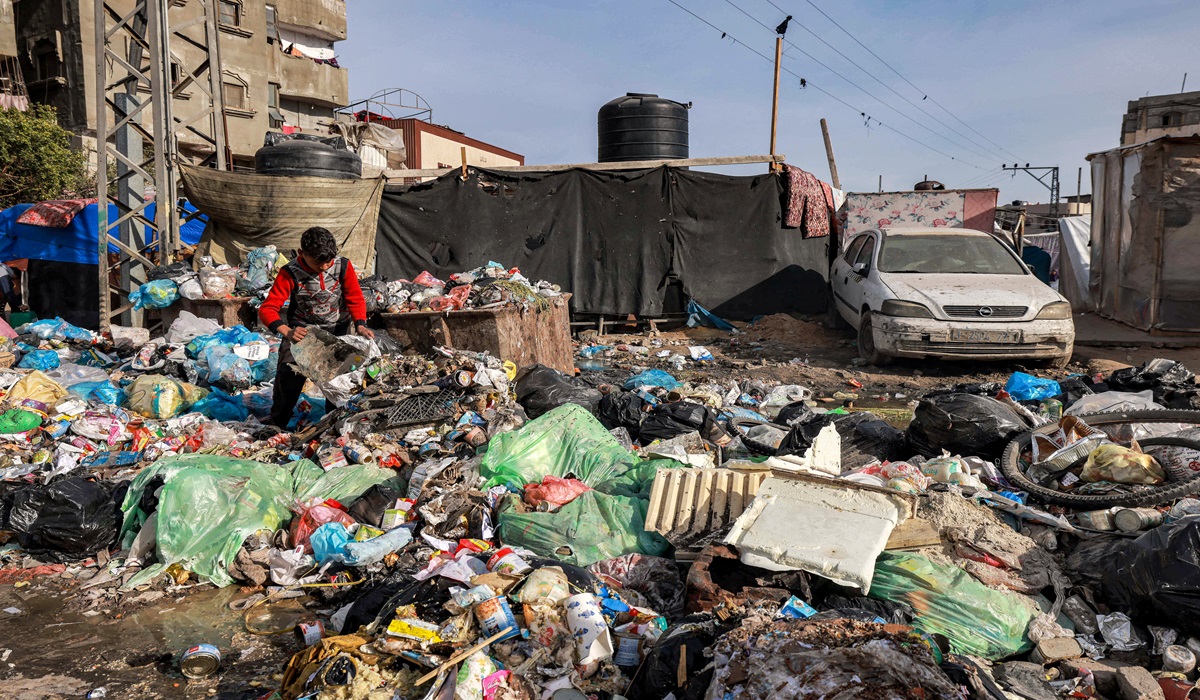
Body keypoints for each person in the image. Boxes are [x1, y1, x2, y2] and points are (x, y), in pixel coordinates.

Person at [259, 226, 374, 428]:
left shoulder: (342, 266)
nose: (323, 267)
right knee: (288, 379)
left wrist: (361, 324)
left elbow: (355, 298)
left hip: (338, 330)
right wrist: (287, 332)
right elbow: (268, 309)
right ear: (302, 253)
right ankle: (277, 424)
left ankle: (333, 426)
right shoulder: (289, 273)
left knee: (339, 383)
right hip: (303, 334)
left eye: (328, 262)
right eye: (317, 262)